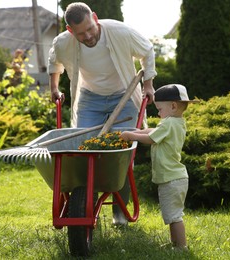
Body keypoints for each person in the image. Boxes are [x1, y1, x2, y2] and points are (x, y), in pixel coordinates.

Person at [47, 2, 157, 226]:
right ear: (70, 31)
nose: (88, 36)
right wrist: (54, 89)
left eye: (90, 28)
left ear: (95, 18)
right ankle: (85, 204)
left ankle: (119, 215)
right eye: (81, 33)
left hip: (123, 95)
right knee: (83, 150)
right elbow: (54, 62)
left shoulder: (120, 32)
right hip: (90, 98)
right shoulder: (63, 42)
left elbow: (147, 51)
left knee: (122, 155)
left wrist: (148, 85)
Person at [121, 84, 199, 250]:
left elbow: (151, 138)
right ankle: (175, 244)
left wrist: (131, 135)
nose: (158, 113)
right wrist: (139, 131)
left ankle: (181, 247)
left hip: (172, 179)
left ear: (172, 106)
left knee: (175, 216)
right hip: (175, 177)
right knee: (172, 215)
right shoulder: (177, 122)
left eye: (159, 109)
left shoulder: (169, 123)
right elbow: (153, 131)